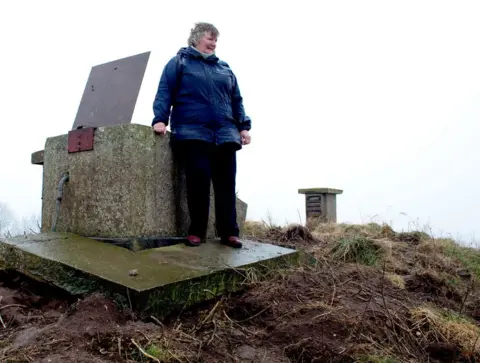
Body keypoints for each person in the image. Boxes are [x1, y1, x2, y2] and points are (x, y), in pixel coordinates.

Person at [152, 22, 251, 248]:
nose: (214, 43)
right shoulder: (179, 63)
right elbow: (165, 91)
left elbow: (236, 99)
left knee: (226, 183)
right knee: (199, 180)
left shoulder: (224, 68)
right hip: (193, 133)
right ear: (196, 39)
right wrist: (160, 119)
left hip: (225, 134)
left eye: (216, 40)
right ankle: (197, 231)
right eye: (210, 38)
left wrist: (243, 127)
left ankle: (229, 233)